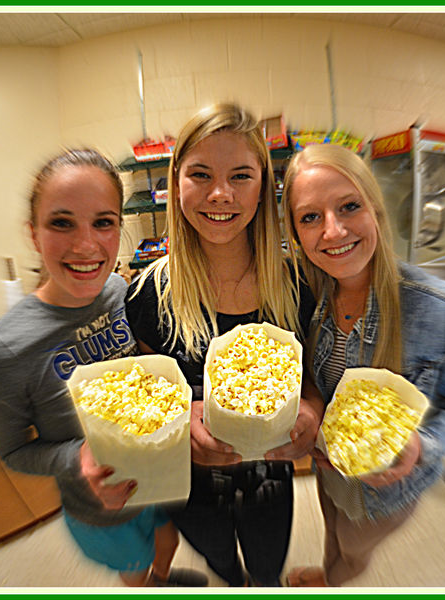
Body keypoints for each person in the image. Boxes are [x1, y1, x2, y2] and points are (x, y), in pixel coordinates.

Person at [0, 148, 207, 587]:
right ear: (33, 232)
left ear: (119, 227)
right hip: (100, 508)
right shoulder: (3, 350)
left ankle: (162, 580)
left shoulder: (119, 291)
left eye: (103, 222)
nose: (85, 245)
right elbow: (12, 452)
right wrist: (75, 457)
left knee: (167, 543)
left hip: (158, 478)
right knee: (134, 571)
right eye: (61, 223)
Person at [125, 103, 325, 586]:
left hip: (269, 477)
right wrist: (178, 423)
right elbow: (142, 397)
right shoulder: (148, 294)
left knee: (267, 568)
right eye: (200, 174)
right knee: (221, 564)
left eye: (240, 175)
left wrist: (312, 412)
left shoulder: (297, 284)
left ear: (263, 187)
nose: (220, 194)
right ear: (176, 184)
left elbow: (314, 381)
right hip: (188, 483)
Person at [280, 143, 445, 586]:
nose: (332, 232)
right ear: (295, 234)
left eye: (348, 207)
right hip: (330, 472)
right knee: (332, 526)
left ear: (375, 210)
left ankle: (335, 582)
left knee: (354, 551)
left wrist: (421, 447)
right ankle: (329, 569)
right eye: (310, 217)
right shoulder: (309, 299)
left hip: (386, 492)